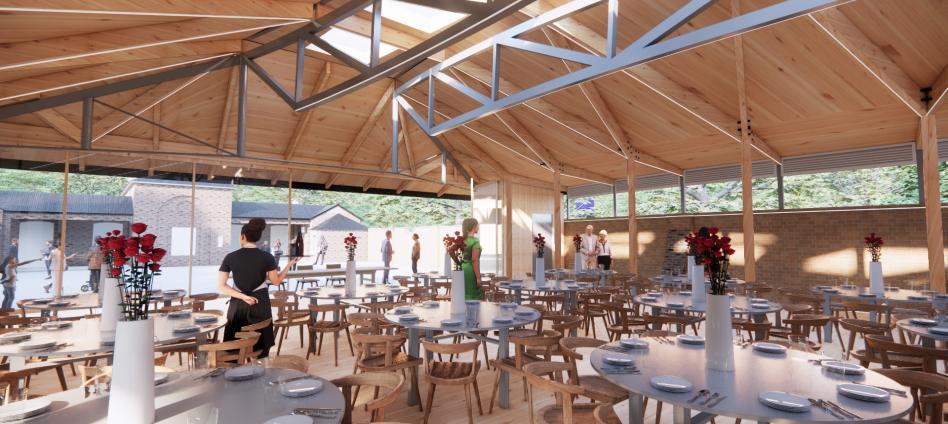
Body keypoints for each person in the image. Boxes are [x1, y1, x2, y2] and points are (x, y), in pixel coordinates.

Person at [218, 218, 300, 359]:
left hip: (238, 305)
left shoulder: (230, 257)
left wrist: (243, 296)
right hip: (260, 302)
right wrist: (289, 265)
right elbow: (276, 281)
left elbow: (222, 286)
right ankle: (261, 370)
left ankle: (236, 372)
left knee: (236, 346)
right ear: (258, 238)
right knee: (261, 347)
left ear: (242, 236)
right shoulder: (267, 257)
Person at [461, 218, 483, 300]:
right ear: (474, 226)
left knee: (463, 293)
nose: (478, 227)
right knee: (472, 294)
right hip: (470, 270)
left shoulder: (462, 240)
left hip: (462, 268)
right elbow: (474, 260)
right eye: (478, 225)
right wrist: (478, 277)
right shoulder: (475, 241)